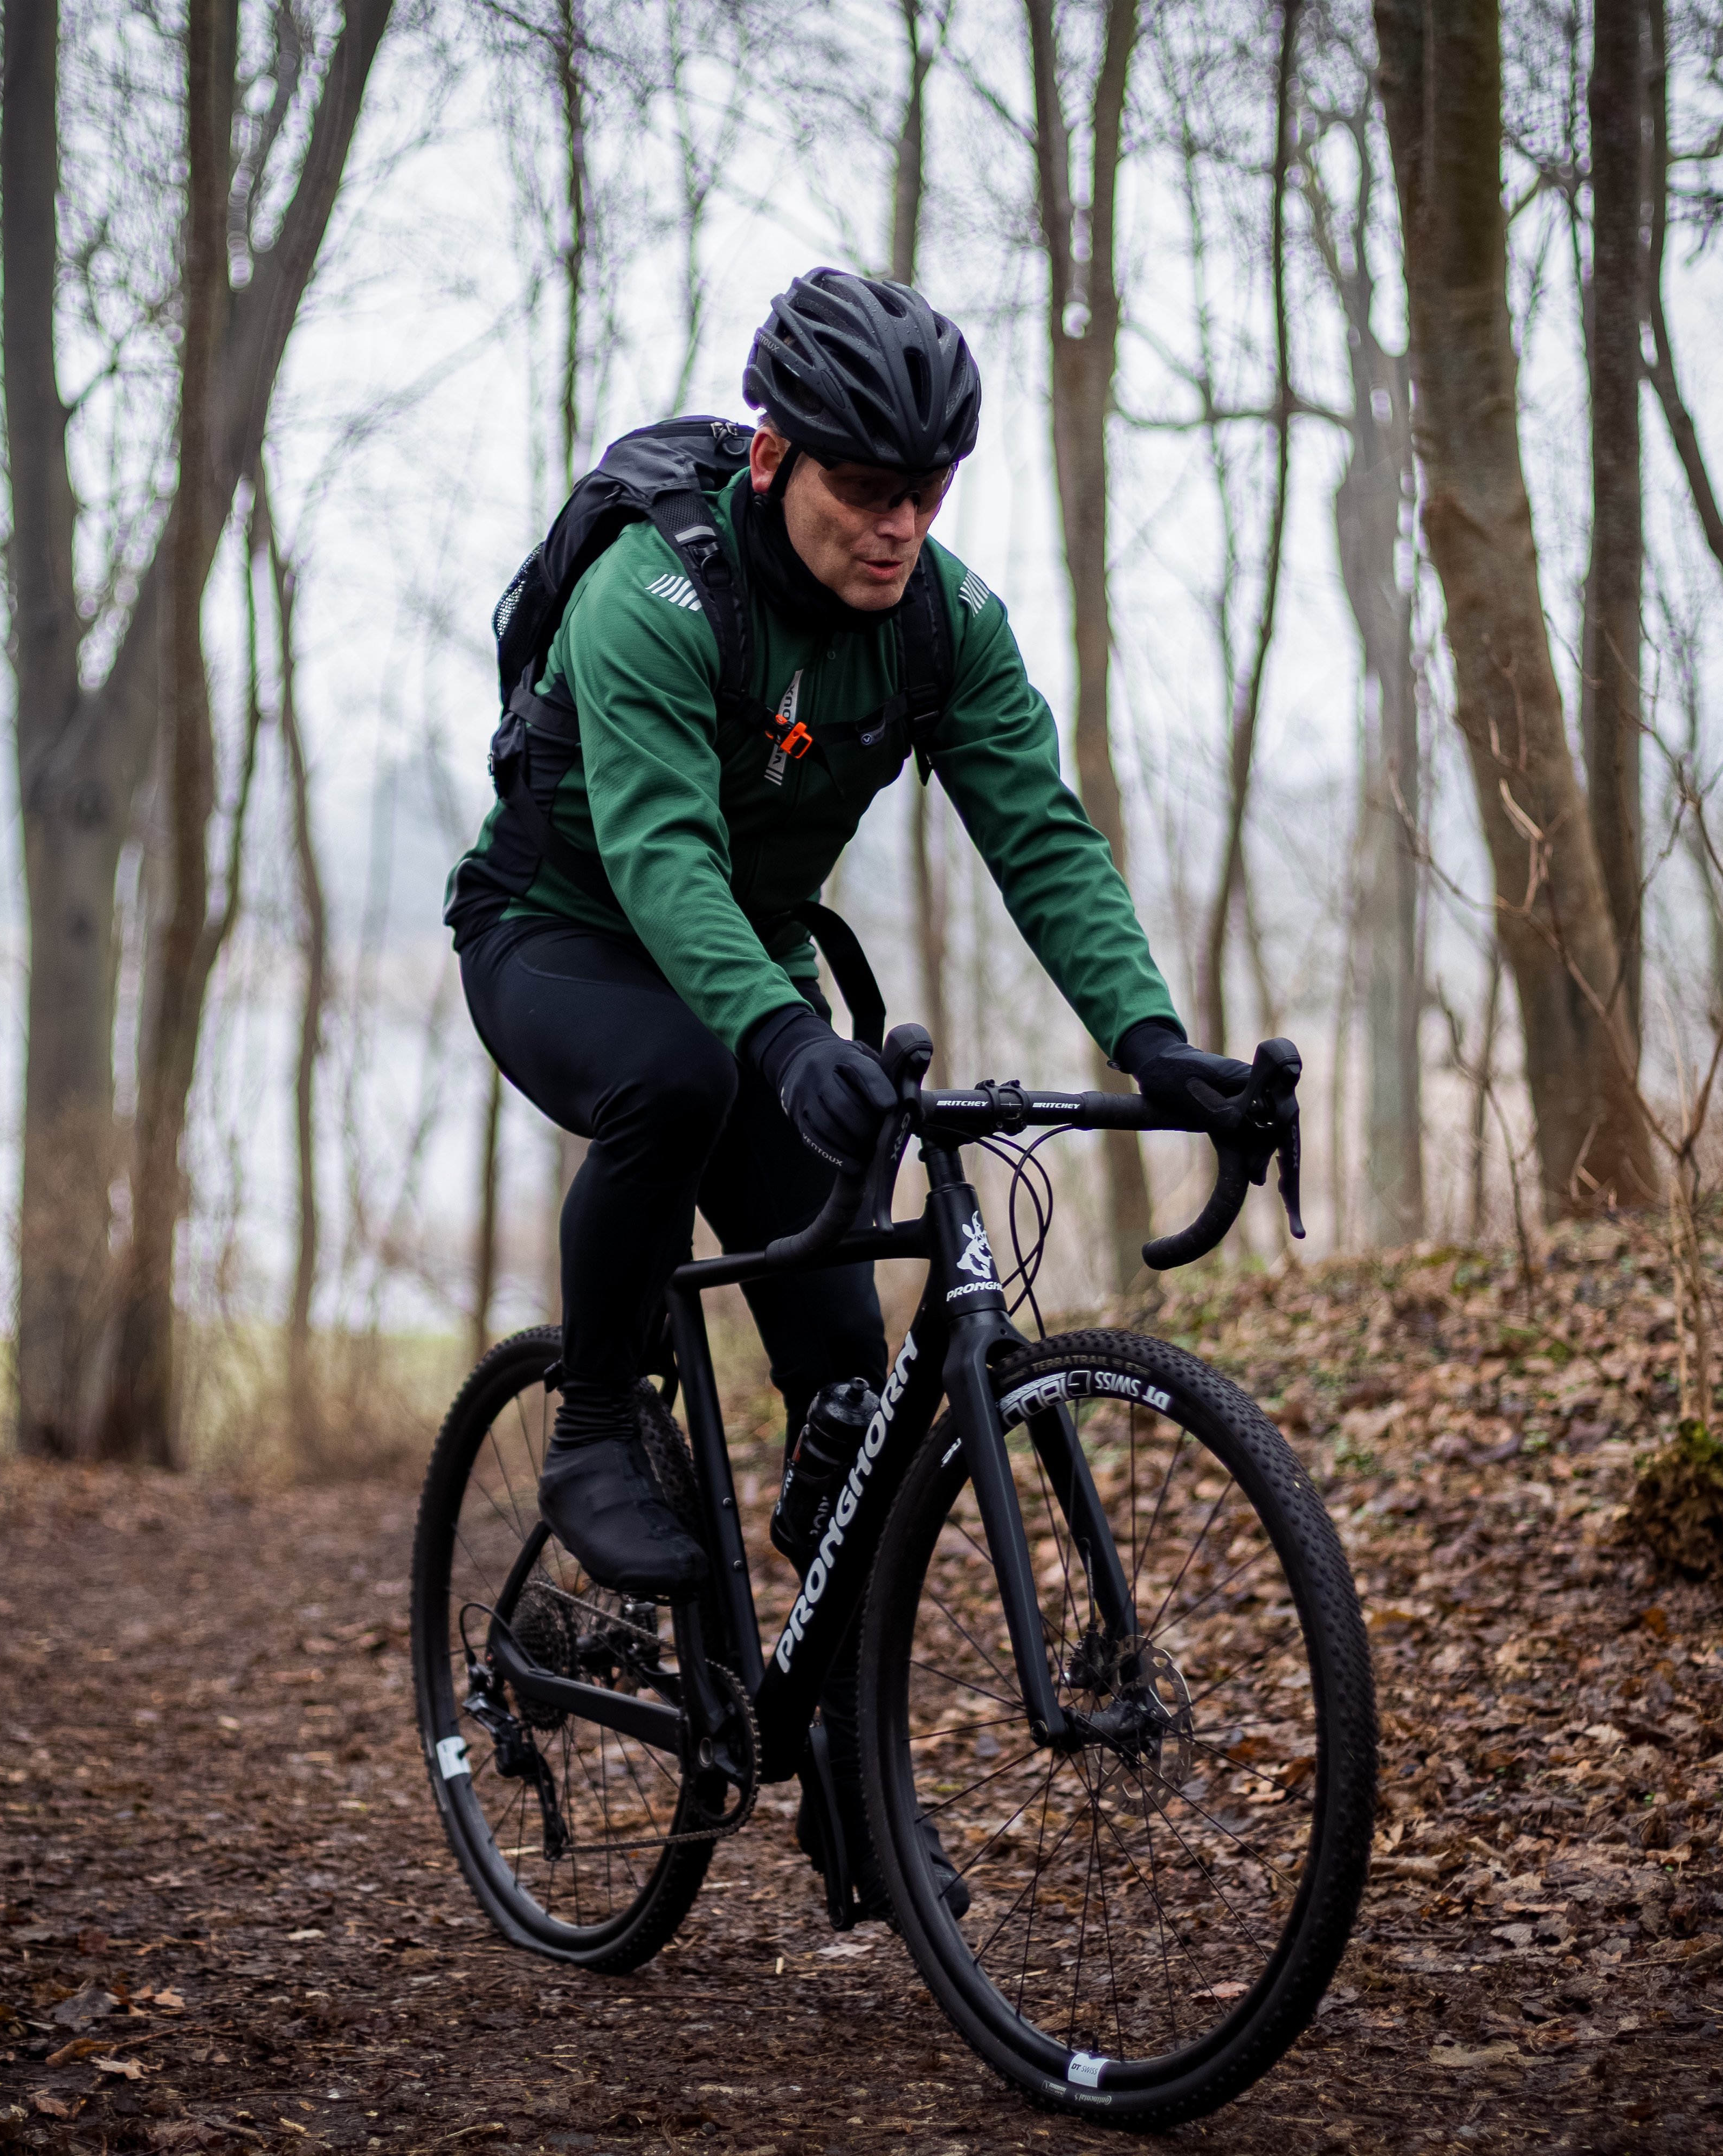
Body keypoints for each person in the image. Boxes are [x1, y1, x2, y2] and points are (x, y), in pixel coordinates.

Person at [446, 268, 1259, 1910]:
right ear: (774, 460)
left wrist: (1154, 1040)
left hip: (747, 975)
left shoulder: (943, 622)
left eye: (928, 492)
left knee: (849, 1391)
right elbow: (662, 857)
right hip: (560, 933)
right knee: (677, 1078)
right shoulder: (652, 595)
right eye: (869, 488)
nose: (900, 525)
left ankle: (843, 1778)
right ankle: (595, 1422)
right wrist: (780, 1034)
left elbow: (1041, 834)